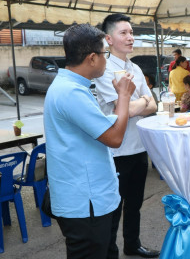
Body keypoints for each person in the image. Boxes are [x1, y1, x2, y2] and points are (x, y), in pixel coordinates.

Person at [44, 23, 136, 259]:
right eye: (105, 53)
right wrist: (123, 96)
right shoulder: (70, 92)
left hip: (91, 199)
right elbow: (114, 138)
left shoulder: (73, 87)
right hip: (85, 203)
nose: (106, 60)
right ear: (92, 58)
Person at [94, 14, 159, 258]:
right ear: (108, 39)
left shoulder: (135, 68)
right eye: (123, 33)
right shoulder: (104, 70)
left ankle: (133, 245)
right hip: (116, 150)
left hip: (139, 147)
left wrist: (138, 102)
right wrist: (142, 100)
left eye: (131, 32)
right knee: (114, 207)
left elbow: (153, 105)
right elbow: (125, 111)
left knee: (135, 204)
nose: (130, 37)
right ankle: (110, 251)